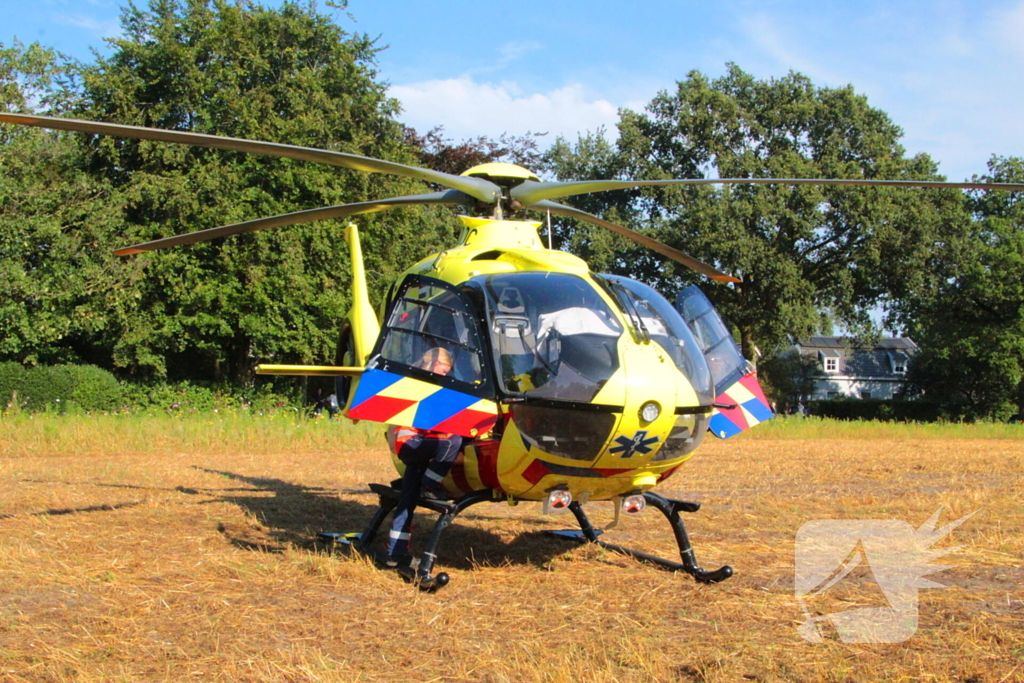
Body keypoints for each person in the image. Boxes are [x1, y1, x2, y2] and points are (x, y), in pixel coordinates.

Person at [386, 347, 463, 566]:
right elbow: (430, 421)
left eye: (448, 371)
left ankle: (395, 552)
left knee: (407, 500)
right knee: (453, 441)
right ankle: (429, 486)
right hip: (412, 443)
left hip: (410, 448)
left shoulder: (411, 381)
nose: (446, 374)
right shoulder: (422, 385)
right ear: (431, 364)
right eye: (443, 368)